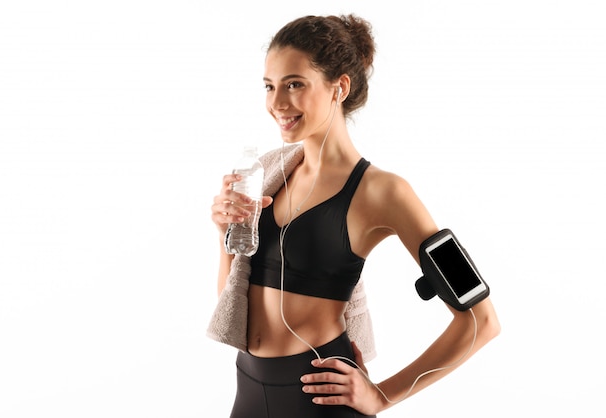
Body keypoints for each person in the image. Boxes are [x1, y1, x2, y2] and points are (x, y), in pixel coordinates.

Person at [209, 14, 501, 418]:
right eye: (270, 86)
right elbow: (233, 302)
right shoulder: (267, 172)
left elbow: (480, 322)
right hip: (247, 389)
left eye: (294, 84)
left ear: (339, 87)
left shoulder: (385, 191)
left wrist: (382, 395)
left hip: (320, 398)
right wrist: (226, 234)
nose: (277, 103)